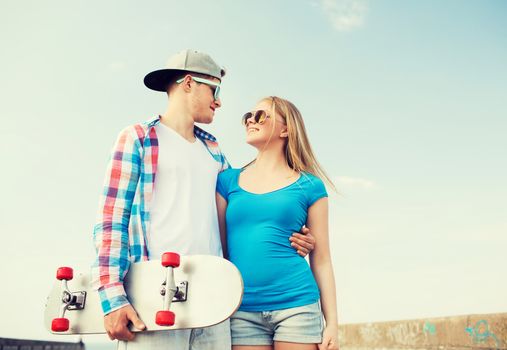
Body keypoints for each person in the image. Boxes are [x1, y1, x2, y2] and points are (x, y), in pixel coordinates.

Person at [91, 50, 316, 349]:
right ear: (188, 83)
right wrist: (112, 298)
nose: (219, 101)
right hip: (155, 301)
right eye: (215, 90)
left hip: (215, 304)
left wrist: (298, 233)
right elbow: (111, 220)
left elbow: (244, 211)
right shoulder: (137, 138)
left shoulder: (215, 151)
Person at [216, 96, 339, 350]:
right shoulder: (226, 181)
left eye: (261, 115)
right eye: (247, 116)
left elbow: (322, 258)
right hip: (242, 308)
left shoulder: (310, 186)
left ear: (286, 129)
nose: (251, 119)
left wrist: (333, 323)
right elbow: (220, 249)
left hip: (297, 305)